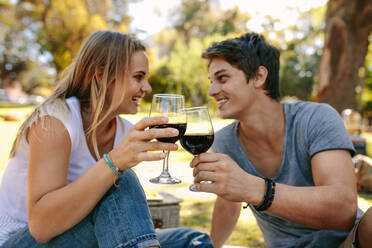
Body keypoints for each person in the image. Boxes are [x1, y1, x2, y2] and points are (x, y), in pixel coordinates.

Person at [0, 30, 213, 248]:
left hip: (79, 235)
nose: (147, 88)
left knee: (192, 241)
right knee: (121, 180)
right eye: (138, 77)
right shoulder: (55, 122)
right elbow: (41, 228)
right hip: (20, 241)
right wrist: (113, 163)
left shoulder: (123, 131)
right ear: (102, 75)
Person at [190, 32, 372, 248]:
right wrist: (214, 245)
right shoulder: (224, 141)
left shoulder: (315, 118)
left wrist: (256, 189)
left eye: (222, 78)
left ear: (259, 76)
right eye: (211, 81)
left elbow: (343, 210)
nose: (212, 91)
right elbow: (228, 205)